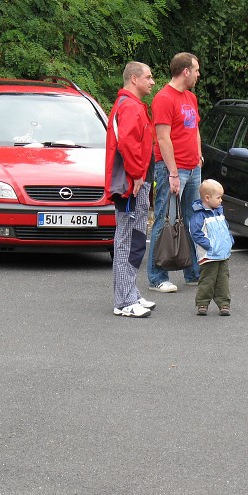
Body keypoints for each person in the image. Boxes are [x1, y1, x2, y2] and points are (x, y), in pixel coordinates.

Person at [147, 52, 203, 294]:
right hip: (173, 169)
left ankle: (192, 273)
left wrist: (199, 156)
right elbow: (162, 138)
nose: (199, 74)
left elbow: (195, 129)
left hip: (192, 168)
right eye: (197, 70)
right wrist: (171, 173)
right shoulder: (163, 98)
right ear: (185, 71)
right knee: (165, 220)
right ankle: (157, 277)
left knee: (192, 221)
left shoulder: (190, 97)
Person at [105, 62, 157, 318]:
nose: (152, 82)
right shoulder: (129, 106)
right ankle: (125, 301)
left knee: (133, 238)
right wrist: (137, 174)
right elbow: (127, 143)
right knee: (128, 241)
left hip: (137, 182)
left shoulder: (132, 105)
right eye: (148, 77)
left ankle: (129, 294)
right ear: (134, 79)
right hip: (130, 185)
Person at [189, 179, 234, 316]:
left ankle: (224, 303)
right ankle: (202, 303)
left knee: (223, 279)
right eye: (219, 197)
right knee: (207, 279)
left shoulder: (219, 212)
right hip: (209, 255)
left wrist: (229, 241)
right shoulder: (199, 216)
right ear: (207, 198)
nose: (221, 200)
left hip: (222, 253)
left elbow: (225, 228)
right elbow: (196, 233)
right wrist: (209, 245)